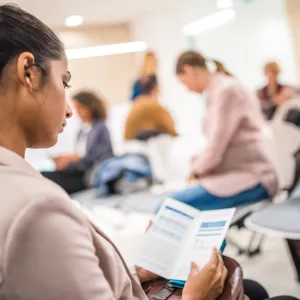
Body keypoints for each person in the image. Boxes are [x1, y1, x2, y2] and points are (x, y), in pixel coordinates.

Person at [0, 5, 297, 300]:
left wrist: (132, 274)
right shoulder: (36, 210)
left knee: (181, 217)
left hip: (246, 175)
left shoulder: (225, 91)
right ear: (28, 73)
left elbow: (217, 146)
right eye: (64, 82)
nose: (67, 109)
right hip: (228, 174)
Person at [172, 51, 278, 211]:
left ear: (189, 70)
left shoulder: (227, 91)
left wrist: (194, 171)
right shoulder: (217, 92)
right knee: (176, 204)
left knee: (170, 207)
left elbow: (215, 150)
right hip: (237, 173)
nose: (187, 89)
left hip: (253, 177)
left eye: (184, 82)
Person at [42, 91, 113, 194]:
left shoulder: (100, 128)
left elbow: (104, 157)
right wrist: (66, 162)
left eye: (79, 108)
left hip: (90, 174)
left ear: (89, 107)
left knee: (47, 178)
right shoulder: (81, 131)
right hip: (78, 171)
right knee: (43, 175)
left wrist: (74, 158)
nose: (77, 112)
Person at [125, 75, 178, 141]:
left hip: (130, 144)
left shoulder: (137, 104)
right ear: (155, 87)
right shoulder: (154, 106)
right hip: (144, 147)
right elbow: (172, 131)